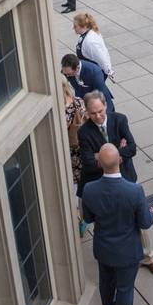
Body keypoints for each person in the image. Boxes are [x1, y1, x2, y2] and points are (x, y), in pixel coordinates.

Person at [78, 92, 153, 279]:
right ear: (87, 112)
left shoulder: (120, 120)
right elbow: (88, 163)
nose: (98, 116)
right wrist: (118, 151)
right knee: (109, 220)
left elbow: (132, 147)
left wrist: (104, 156)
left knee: (139, 221)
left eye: (100, 111)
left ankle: (148, 257)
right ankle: (112, 257)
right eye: (92, 113)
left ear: (105, 106)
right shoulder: (84, 132)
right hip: (102, 183)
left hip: (126, 179)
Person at [81, 143, 153, 305]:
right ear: (120, 160)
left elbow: (87, 218)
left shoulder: (89, 189)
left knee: (106, 283)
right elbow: (145, 222)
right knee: (125, 289)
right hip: (127, 251)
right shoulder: (135, 190)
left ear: (99, 164)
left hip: (103, 249)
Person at [62, 79, 87, 234]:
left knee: (72, 185)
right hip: (81, 149)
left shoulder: (61, 110)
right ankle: (83, 218)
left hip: (69, 152)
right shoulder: (78, 101)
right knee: (80, 184)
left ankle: (78, 218)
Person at [73, 13, 114, 80]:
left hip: (95, 74)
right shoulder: (87, 34)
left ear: (83, 26)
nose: (73, 28)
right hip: (90, 72)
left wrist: (108, 71)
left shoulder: (90, 41)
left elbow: (101, 57)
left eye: (75, 26)